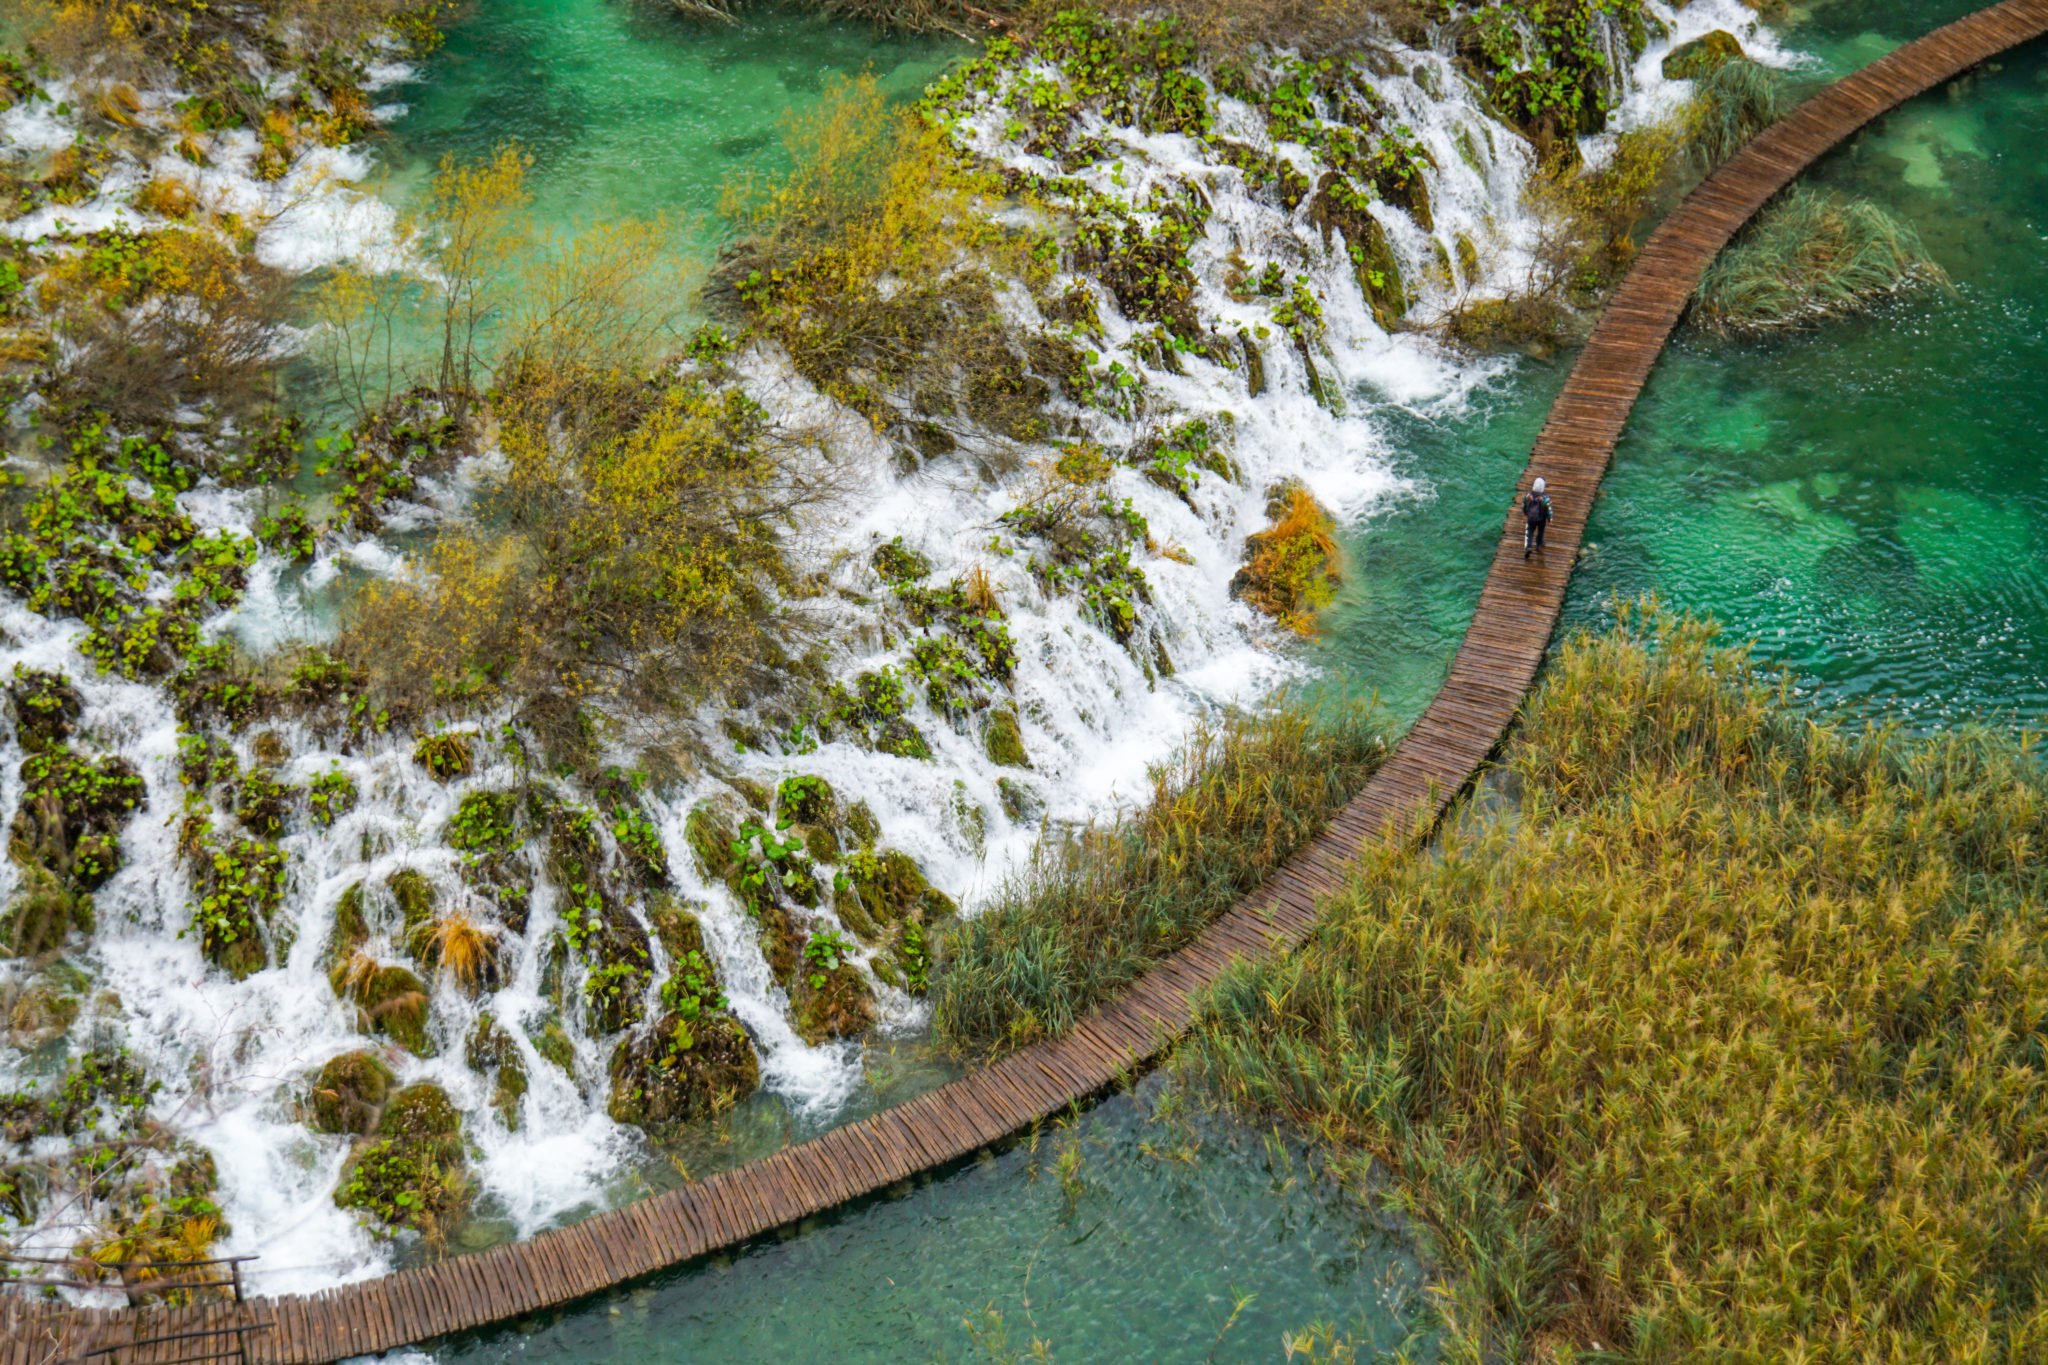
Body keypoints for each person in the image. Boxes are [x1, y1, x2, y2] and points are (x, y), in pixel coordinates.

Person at [1521, 477, 1552, 559]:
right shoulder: (1545, 499)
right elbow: (1549, 509)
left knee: (1530, 531)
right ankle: (1539, 544)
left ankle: (1529, 546)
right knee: (1540, 531)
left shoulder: (1528, 496)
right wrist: (1549, 519)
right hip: (1541, 519)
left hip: (1531, 517)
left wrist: (1524, 512)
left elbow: (1524, 504)